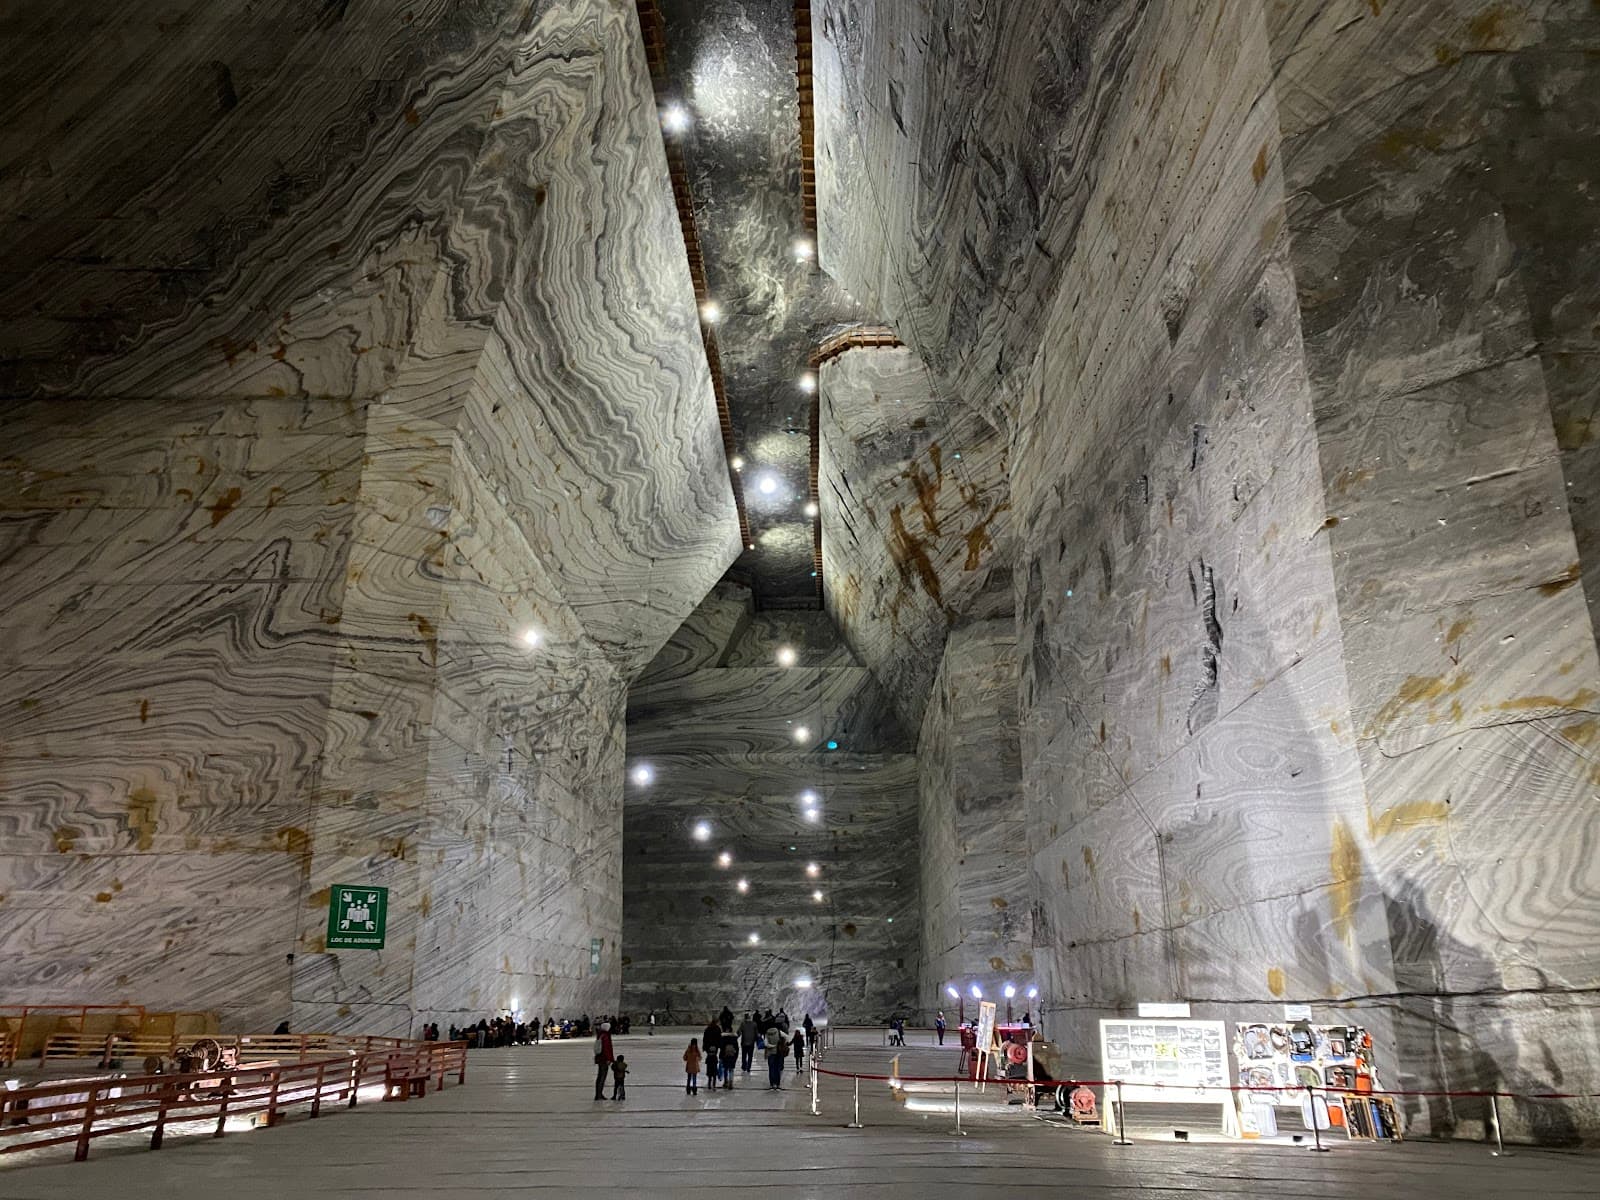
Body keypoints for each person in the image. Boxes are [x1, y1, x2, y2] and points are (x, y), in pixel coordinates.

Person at [593, 1021, 615, 1101]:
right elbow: (607, 1049)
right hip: (604, 1059)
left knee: (599, 1077)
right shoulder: (606, 1036)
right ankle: (599, 1095)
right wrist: (609, 1059)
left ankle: (598, 1094)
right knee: (602, 1077)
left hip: (599, 1058)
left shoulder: (600, 1035)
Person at [702, 1018, 723, 1089]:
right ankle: (713, 1081)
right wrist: (720, 1046)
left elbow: (704, 1039)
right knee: (714, 1061)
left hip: (708, 1047)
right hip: (715, 1046)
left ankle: (709, 1079)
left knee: (709, 1062)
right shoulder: (717, 1029)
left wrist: (704, 1047)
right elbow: (720, 1038)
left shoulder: (708, 1029)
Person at [765, 1023, 786, 1089]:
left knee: (771, 1068)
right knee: (777, 1068)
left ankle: (772, 1083)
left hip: (770, 1053)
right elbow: (786, 1037)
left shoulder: (767, 1033)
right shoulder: (779, 1032)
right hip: (778, 1053)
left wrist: (772, 1046)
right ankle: (777, 1083)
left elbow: (766, 1044)